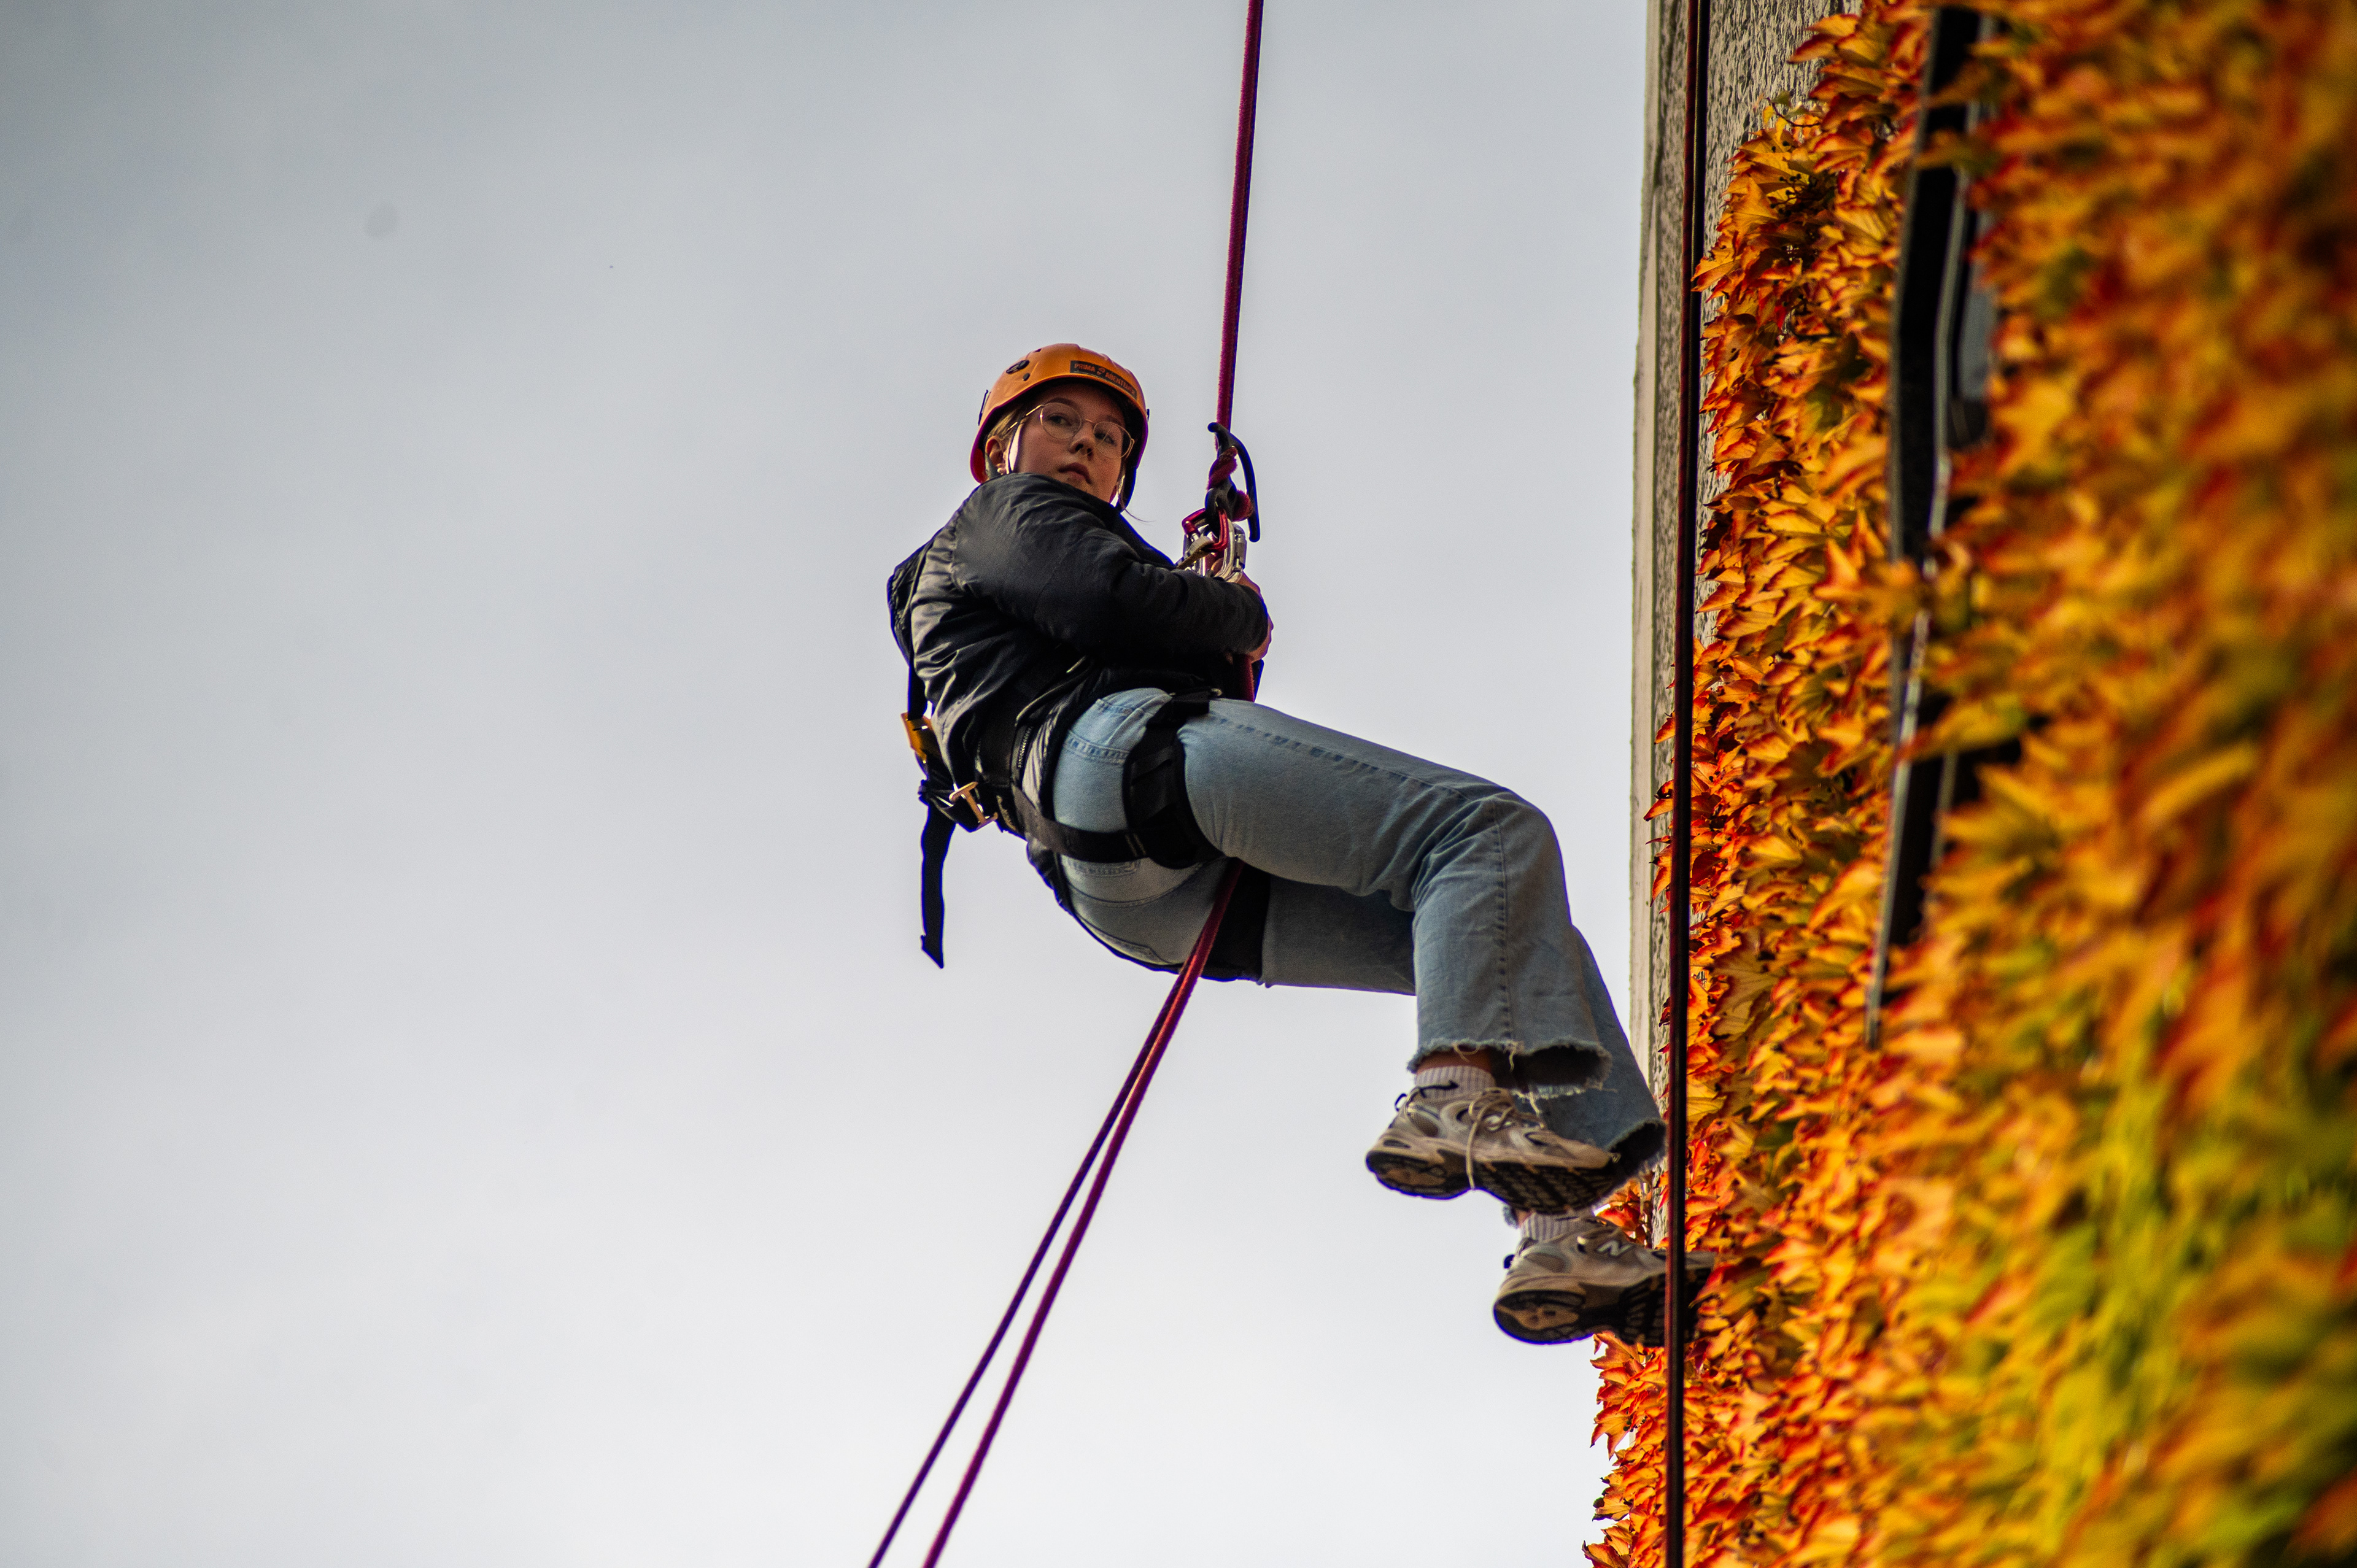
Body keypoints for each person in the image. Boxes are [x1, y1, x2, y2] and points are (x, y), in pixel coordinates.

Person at [888, 344, 1712, 1346]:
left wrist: (1199, 611)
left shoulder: (1014, 568)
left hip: (1130, 885)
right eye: (1062, 423)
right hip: (1118, 762)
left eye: (1108, 440)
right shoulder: (1002, 517)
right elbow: (1135, 608)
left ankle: (1558, 1232)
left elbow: (1169, 638)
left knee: (1513, 937)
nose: (1086, 449)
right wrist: (1233, 606)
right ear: (1000, 446)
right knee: (1483, 833)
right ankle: (1451, 1097)